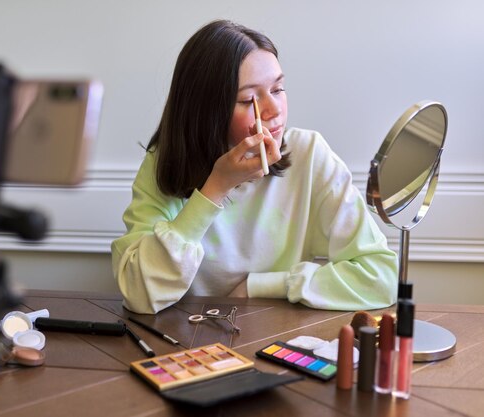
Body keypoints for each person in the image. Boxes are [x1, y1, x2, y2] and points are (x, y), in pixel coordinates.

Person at [111, 19, 398, 314]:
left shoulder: (309, 155)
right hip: (184, 341)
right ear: (207, 111)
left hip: (272, 336)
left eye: (278, 89)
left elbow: (381, 277)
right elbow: (140, 294)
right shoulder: (165, 162)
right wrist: (214, 190)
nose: (273, 110)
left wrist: (259, 287)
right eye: (249, 99)